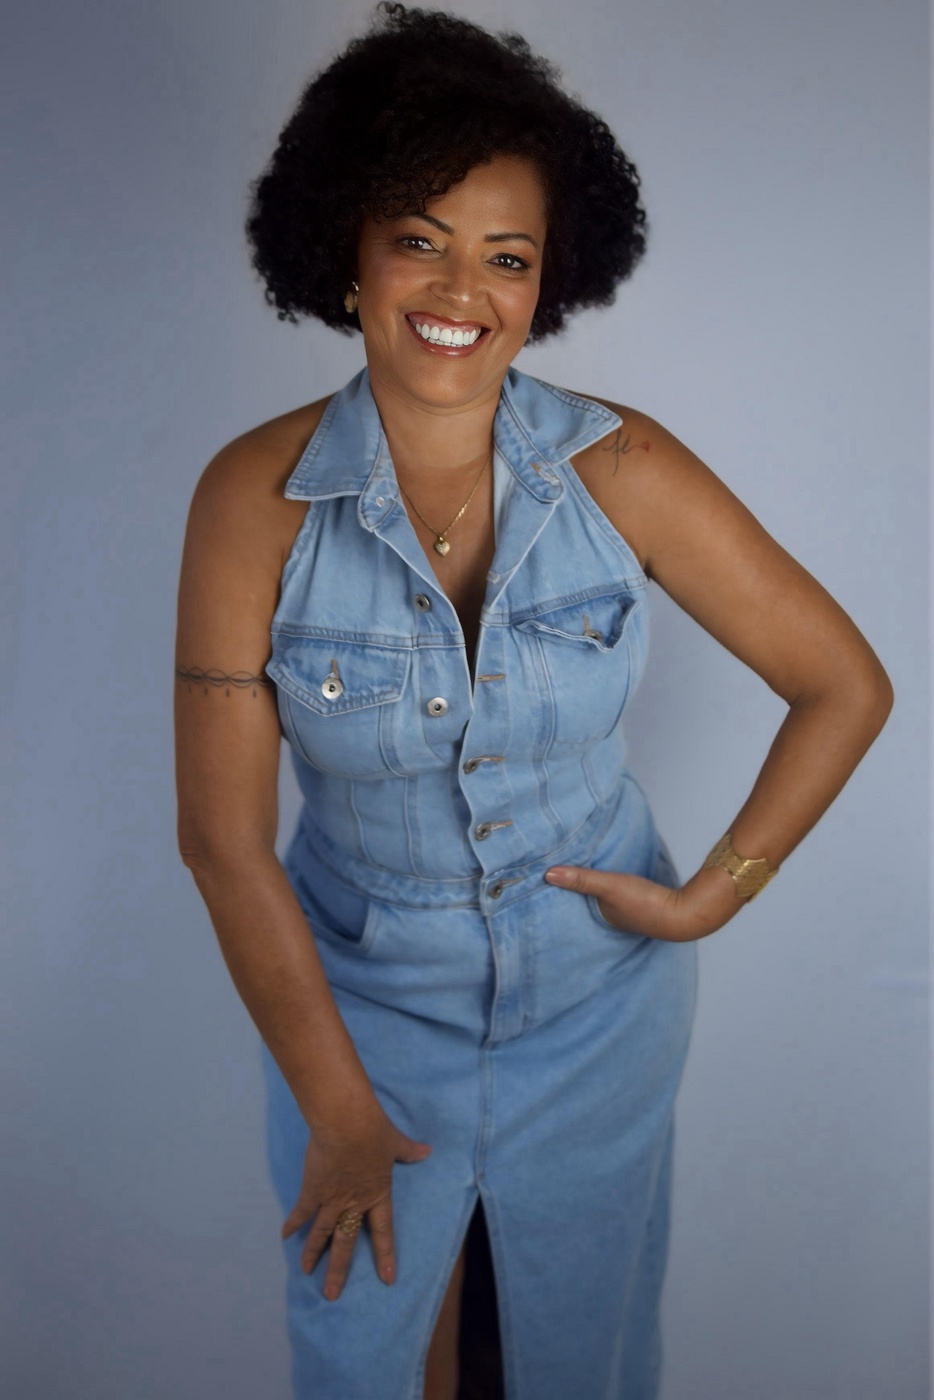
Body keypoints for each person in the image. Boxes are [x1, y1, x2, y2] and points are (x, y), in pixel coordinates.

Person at [173, 5, 894, 1398]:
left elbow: (841, 684)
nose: (464, 290)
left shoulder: (626, 470)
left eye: (508, 255)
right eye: (421, 238)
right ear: (345, 249)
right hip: (360, 1011)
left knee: (575, 1358)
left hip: (599, 1009)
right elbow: (222, 840)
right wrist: (337, 1106)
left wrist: (709, 896)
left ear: (550, 278)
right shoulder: (251, 501)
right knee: (372, 1359)